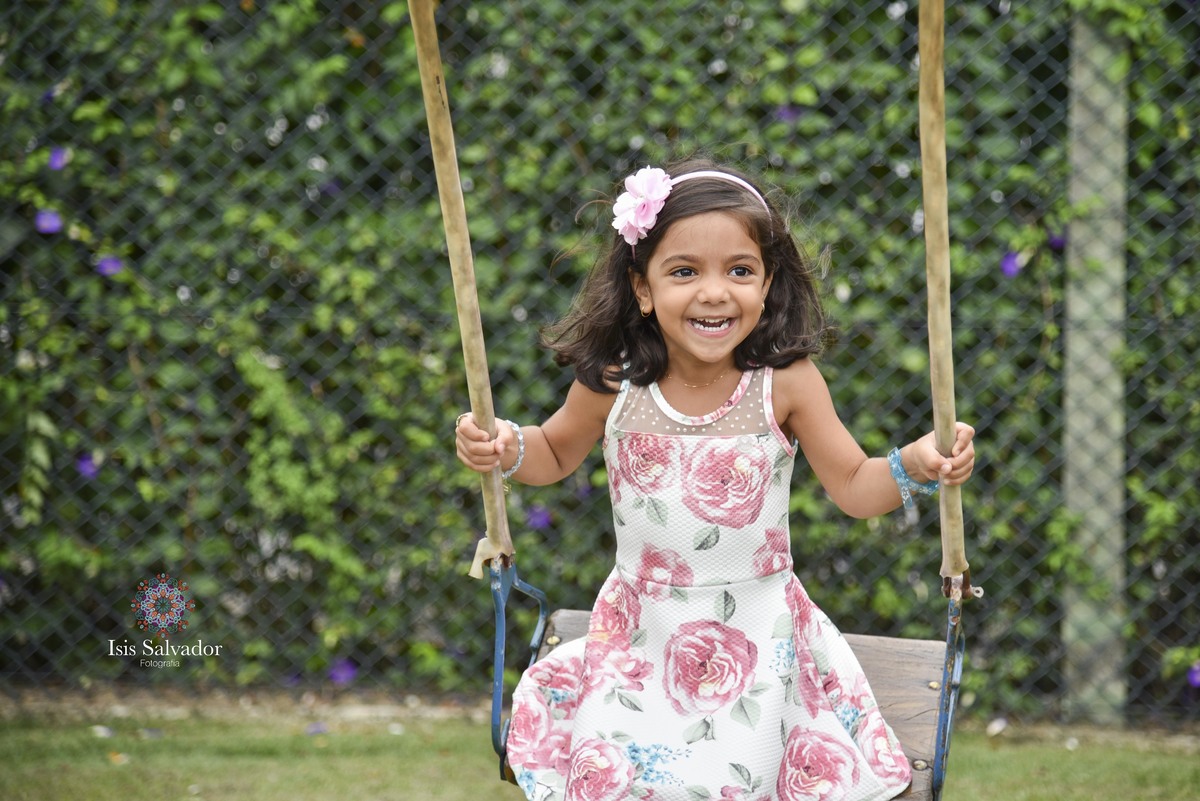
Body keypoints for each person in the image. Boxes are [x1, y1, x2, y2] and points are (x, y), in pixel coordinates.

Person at [455, 158, 976, 801]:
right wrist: (507, 445)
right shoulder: (616, 383)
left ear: (767, 283)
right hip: (639, 636)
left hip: (759, 636)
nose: (714, 292)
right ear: (643, 289)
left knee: (740, 779)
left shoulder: (785, 384)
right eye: (684, 272)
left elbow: (853, 485)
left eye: (739, 271)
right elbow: (554, 453)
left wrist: (915, 464)